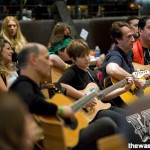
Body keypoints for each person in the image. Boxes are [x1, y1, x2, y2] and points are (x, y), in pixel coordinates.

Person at [9, 42, 119, 150]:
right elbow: (31, 101)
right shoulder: (22, 85)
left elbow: (58, 87)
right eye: (47, 58)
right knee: (107, 124)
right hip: (61, 144)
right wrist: (60, 110)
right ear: (33, 59)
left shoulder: (30, 85)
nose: (51, 64)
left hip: (66, 137)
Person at [58, 39, 134, 129]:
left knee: (132, 116)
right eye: (82, 56)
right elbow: (60, 86)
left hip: (101, 107)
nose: (87, 58)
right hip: (89, 114)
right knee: (124, 120)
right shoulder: (71, 72)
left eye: (87, 54)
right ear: (73, 59)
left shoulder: (92, 73)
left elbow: (103, 95)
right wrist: (83, 98)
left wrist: (124, 89)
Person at [102, 21, 146, 106]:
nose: (133, 39)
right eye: (129, 37)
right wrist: (137, 81)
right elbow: (112, 70)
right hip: (117, 104)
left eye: (133, 36)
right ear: (118, 39)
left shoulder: (126, 54)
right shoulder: (115, 55)